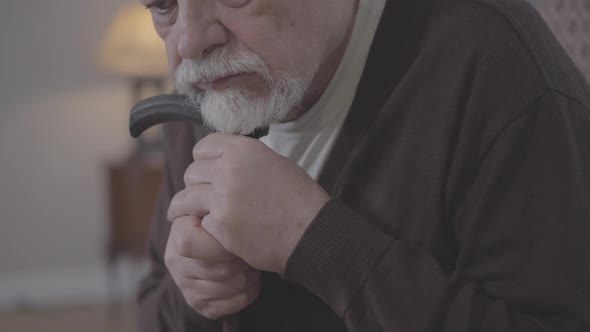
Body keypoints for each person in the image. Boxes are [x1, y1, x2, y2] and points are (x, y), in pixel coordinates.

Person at [137, 0, 590, 331]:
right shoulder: (209, 92)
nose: (191, 43)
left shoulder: (494, 64)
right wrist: (196, 293)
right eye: (163, 5)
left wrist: (313, 239)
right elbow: (154, 308)